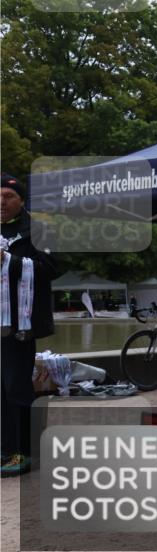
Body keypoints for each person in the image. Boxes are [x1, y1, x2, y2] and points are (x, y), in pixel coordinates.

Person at [1, 173, 58, 477]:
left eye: (8, 196)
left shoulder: (38, 230)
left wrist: (8, 261)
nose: (1, 202)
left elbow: (51, 268)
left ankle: (24, 451)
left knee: (17, 386)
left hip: (19, 325)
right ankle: (5, 448)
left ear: (21, 200)